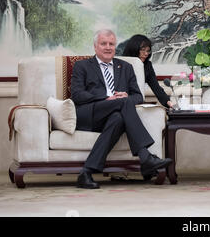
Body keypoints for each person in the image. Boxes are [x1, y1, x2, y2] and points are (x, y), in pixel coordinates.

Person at [71, 29, 172, 189]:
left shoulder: (125, 67)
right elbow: (77, 95)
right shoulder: (82, 66)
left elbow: (138, 96)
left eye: (111, 44)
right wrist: (106, 97)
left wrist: (125, 96)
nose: (108, 47)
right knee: (123, 103)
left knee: (118, 117)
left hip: (115, 113)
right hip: (90, 114)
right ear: (95, 47)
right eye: (103, 43)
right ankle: (145, 156)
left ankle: (86, 172)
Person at [122, 34, 173, 108]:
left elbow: (156, 88)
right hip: (122, 101)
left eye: (148, 51)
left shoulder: (147, 65)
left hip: (138, 102)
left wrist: (169, 102)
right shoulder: (121, 63)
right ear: (134, 49)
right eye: (142, 50)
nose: (146, 54)